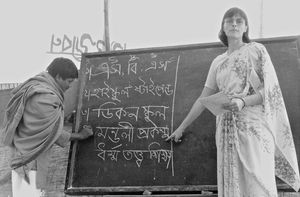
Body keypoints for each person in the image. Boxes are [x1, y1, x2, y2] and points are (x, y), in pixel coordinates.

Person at [166, 7, 300, 197]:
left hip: (254, 129)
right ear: (223, 27)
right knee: (232, 186)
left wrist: (243, 102)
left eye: (239, 21)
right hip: (226, 129)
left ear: (246, 27)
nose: (234, 24)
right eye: (229, 20)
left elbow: (271, 92)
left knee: (258, 185)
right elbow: (203, 99)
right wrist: (181, 127)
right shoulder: (218, 62)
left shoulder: (256, 51)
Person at [0, 57, 94, 197]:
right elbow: (50, 132)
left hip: (24, 157)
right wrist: (80, 136)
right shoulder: (44, 97)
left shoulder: (38, 87)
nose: (70, 86)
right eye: (69, 81)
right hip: (30, 163)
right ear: (58, 77)